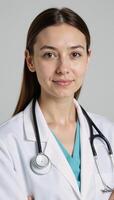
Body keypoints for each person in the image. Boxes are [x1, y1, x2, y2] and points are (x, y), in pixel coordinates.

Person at [0, 7, 114, 200]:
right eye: (49, 55)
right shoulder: (7, 143)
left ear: (88, 58)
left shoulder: (109, 134)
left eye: (75, 54)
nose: (63, 68)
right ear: (30, 61)